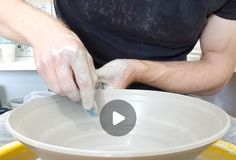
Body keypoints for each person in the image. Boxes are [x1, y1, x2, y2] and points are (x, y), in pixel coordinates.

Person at [0, 0, 236, 113]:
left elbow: (217, 67)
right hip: (76, 95)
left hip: (167, 104)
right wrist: (46, 31)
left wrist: (137, 69)